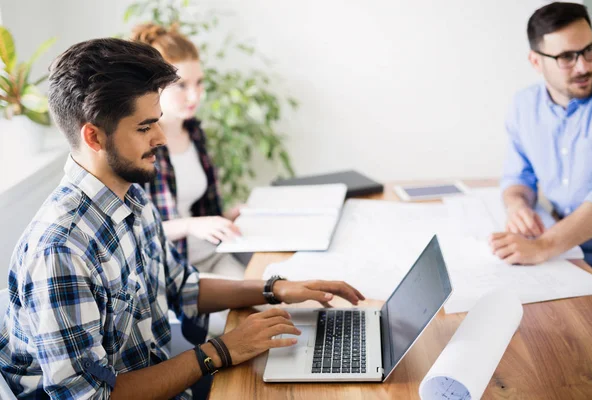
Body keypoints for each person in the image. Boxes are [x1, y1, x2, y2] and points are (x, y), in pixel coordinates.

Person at [0, 37, 365, 400]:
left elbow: (180, 285)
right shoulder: (60, 251)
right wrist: (221, 351)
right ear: (94, 137)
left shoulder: (132, 197)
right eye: (144, 128)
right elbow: (92, 397)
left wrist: (274, 288)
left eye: (157, 122)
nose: (160, 137)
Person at [489, 2, 592, 271]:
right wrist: (517, 207)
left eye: (589, 50)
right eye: (566, 57)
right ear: (536, 61)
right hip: (568, 252)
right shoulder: (524, 106)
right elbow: (518, 176)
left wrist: (542, 246)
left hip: (568, 250)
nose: (583, 66)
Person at [131, 23, 245, 279]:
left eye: (199, 83)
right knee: (255, 307)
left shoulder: (193, 132)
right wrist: (190, 225)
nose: (195, 96)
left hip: (211, 254)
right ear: (153, 88)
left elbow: (198, 214)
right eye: (181, 85)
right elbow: (135, 232)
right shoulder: (139, 146)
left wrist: (227, 218)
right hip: (172, 271)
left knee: (269, 298)